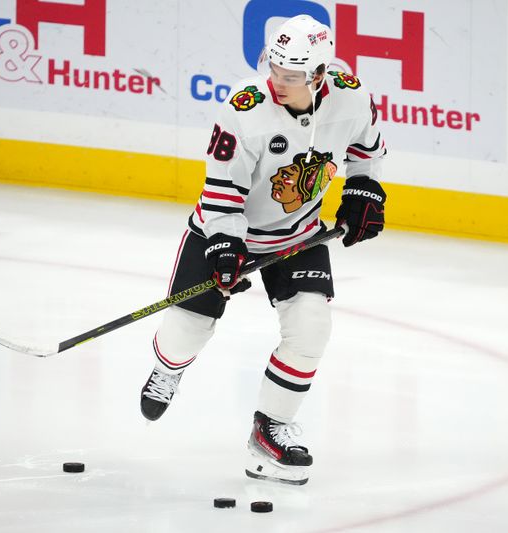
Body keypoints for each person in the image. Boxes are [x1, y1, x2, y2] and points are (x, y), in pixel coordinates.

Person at [140, 14, 387, 485]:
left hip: (297, 234)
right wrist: (226, 246)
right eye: (273, 69)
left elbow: (367, 150)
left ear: (320, 75)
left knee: (311, 329)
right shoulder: (244, 106)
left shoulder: (351, 95)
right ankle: (167, 369)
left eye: (291, 77)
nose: (277, 82)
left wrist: (363, 190)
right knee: (186, 332)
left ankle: (269, 429)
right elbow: (221, 190)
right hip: (223, 230)